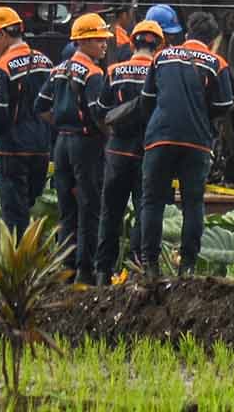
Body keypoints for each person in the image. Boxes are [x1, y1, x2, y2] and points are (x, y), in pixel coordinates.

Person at [136, 10, 234, 280]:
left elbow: (147, 99)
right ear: (213, 39)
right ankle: (187, 267)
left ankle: (150, 266)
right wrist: (202, 114)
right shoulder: (217, 63)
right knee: (193, 203)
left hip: (160, 138)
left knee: (153, 201)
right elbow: (225, 105)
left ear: (187, 34)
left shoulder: (161, 57)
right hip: (197, 143)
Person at [40, 14, 110, 284]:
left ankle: (65, 268)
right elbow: (98, 116)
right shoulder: (93, 74)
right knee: (90, 207)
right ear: (85, 41)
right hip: (85, 144)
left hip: (61, 144)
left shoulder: (58, 70)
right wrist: (110, 138)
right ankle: (85, 270)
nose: (104, 44)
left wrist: (60, 123)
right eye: (100, 39)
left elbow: (41, 106)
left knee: (66, 209)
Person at [94, 17, 162, 284]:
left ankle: (102, 273)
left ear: (132, 42)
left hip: (116, 153)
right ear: (158, 46)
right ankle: (137, 268)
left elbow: (100, 111)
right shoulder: (159, 70)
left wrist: (112, 136)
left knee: (110, 213)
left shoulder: (113, 70)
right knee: (145, 209)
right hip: (146, 152)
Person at [0, 7, 52, 237]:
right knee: (30, 206)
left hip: (12, 150)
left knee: (14, 212)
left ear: (3, 34)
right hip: (41, 147)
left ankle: (17, 264)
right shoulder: (46, 61)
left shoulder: (1, 67)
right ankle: (34, 257)